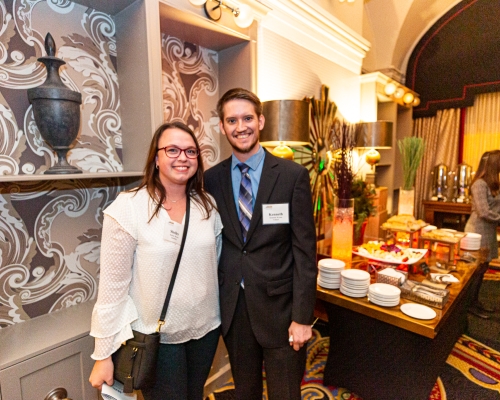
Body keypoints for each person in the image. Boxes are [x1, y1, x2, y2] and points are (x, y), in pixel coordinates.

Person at [88, 121, 222, 399]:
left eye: (190, 151)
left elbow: (214, 264)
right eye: (172, 150)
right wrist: (103, 354)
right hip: (158, 340)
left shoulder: (207, 206)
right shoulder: (129, 207)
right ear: (156, 158)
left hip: (206, 332)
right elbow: (112, 290)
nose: (182, 157)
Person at [204, 88, 317, 399]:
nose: (241, 127)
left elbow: (305, 252)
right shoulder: (210, 180)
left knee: (285, 394)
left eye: (247, 118)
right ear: (222, 126)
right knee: (245, 392)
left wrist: (303, 317)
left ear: (261, 121)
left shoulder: (293, 176)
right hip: (235, 310)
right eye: (232, 120)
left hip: (282, 312)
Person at [465, 150, 500, 319]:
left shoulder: (491, 184)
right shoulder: (479, 184)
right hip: (477, 231)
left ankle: (475, 301)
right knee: (476, 270)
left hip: (488, 230)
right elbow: (483, 211)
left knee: (483, 269)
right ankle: (470, 304)